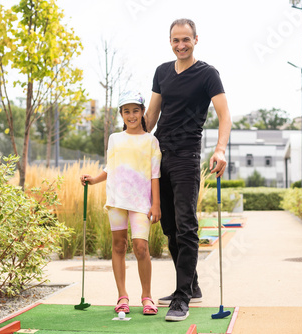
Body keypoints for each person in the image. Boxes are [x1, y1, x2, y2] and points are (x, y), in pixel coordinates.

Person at [145, 18, 232, 321]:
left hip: (186, 156)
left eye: (186, 39)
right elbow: (151, 117)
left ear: (196, 40)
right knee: (169, 226)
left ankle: (181, 298)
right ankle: (191, 285)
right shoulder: (162, 72)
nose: (180, 45)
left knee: (186, 224)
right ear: (170, 42)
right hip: (159, 155)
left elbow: (225, 117)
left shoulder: (208, 75)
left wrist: (220, 149)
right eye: (175, 40)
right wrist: (130, 142)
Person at [81, 90, 162, 316]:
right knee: (118, 246)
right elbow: (111, 167)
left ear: (142, 112)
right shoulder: (114, 139)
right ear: (121, 114)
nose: (131, 115)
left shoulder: (151, 141)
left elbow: (155, 175)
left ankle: (147, 297)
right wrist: (94, 179)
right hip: (117, 200)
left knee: (141, 247)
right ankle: (122, 296)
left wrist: (156, 204)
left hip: (141, 202)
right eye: (126, 111)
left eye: (135, 111)